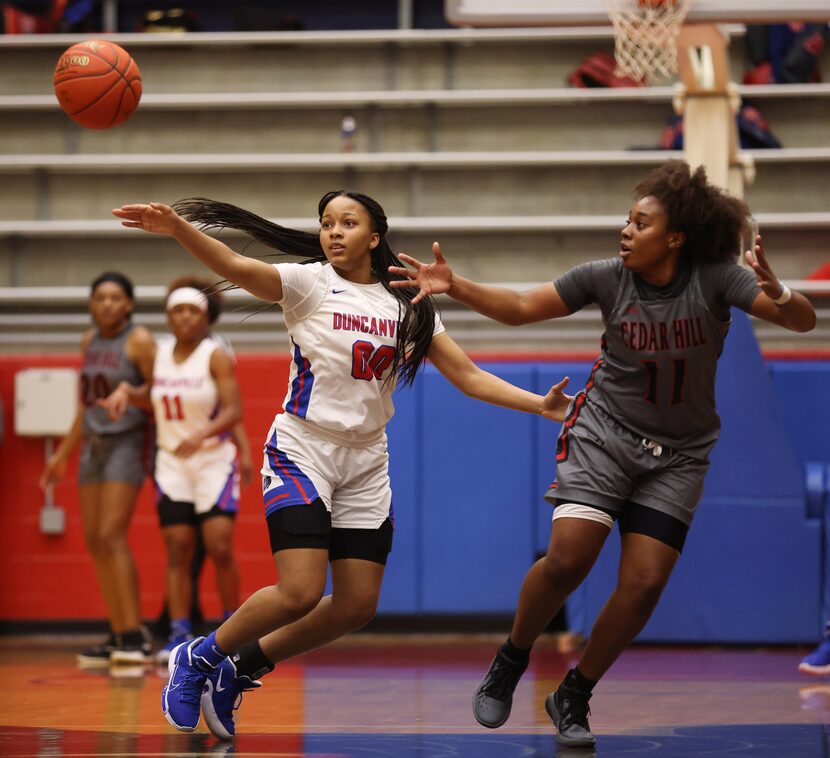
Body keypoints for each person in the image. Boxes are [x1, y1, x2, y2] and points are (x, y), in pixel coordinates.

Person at [111, 190, 573, 739]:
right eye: (326, 223)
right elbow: (235, 265)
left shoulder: (408, 303)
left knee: (356, 605)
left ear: (374, 237)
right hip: (303, 448)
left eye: (347, 223)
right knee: (301, 591)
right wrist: (178, 229)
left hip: (366, 462)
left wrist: (540, 404)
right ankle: (199, 656)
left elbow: (468, 377)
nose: (333, 232)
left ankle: (242, 666)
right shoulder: (309, 284)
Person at [389, 159, 817, 748]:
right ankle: (512, 658)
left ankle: (575, 694)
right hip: (604, 436)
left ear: (675, 238)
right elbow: (518, 309)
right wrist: (453, 286)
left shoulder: (717, 278)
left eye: (640, 223)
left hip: (680, 454)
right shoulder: (605, 277)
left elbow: (800, 321)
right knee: (568, 560)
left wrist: (779, 289)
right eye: (627, 219)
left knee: (643, 585)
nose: (626, 231)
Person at [105, 276, 250, 665]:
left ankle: (231, 630)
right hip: (172, 462)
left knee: (219, 546)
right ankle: (179, 633)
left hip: (212, 461)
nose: (185, 317)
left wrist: (207, 434)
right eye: (178, 311)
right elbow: (152, 399)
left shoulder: (215, 355)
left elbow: (234, 410)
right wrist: (127, 394)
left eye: (192, 310)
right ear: (169, 316)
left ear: (205, 317)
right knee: (177, 550)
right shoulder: (160, 353)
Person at [39, 272, 155, 666]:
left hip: (127, 441)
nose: (106, 304)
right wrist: (62, 455)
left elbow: (161, 394)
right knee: (95, 540)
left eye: (114, 298)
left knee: (112, 535)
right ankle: (117, 631)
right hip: (91, 445)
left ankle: (134, 635)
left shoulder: (139, 341)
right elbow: (84, 404)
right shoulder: (89, 340)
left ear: (129, 304)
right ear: (91, 304)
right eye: (99, 297)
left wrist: (131, 396)